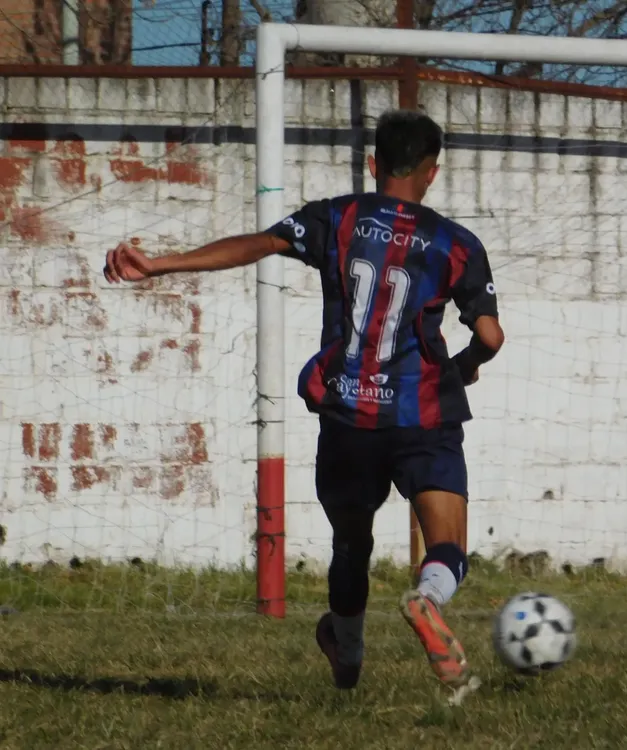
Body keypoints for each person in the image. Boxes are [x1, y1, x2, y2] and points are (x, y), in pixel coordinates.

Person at [103, 109, 504, 702]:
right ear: (432, 172)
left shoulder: (340, 216)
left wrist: (161, 264)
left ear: (374, 165)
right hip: (423, 415)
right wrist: (465, 366)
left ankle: (349, 653)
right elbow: (491, 336)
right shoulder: (457, 245)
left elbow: (258, 244)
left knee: (352, 544)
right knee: (446, 542)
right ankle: (428, 598)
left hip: (348, 416)